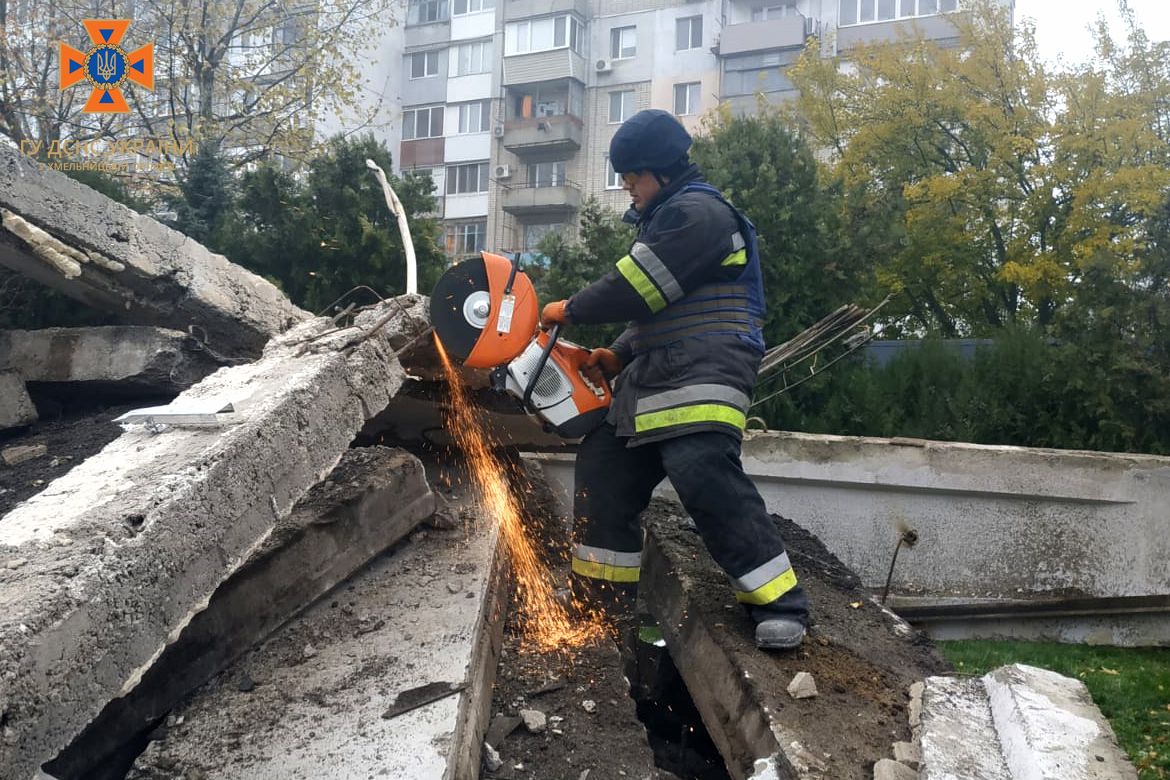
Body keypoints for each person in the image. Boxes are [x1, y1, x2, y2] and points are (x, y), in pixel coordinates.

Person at [540, 109, 810, 650]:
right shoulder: (670, 219)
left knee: (699, 465)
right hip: (654, 376)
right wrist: (617, 356)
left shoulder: (698, 214)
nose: (627, 189)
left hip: (707, 370)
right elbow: (656, 310)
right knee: (603, 467)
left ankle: (781, 604)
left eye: (632, 177)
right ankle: (598, 613)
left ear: (660, 171)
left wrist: (566, 309)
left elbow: (636, 288)